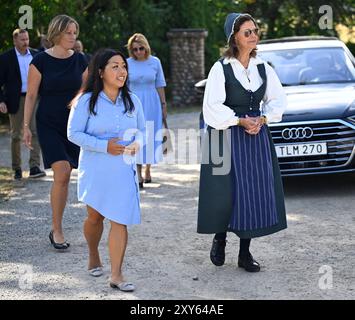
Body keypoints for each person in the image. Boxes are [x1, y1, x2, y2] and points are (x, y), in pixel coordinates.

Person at [197, 13, 288, 272]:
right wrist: (239, 121)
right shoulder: (221, 68)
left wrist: (263, 117)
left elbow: (278, 100)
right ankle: (220, 237)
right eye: (247, 31)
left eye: (255, 30)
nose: (253, 35)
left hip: (255, 138)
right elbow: (211, 107)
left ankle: (245, 253)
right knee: (226, 192)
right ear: (234, 37)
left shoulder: (263, 67)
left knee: (251, 193)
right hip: (225, 135)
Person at [67, 49, 145, 291]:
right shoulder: (85, 101)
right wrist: (104, 146)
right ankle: (93, 254)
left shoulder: (133, 100)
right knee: (95, 218)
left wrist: (136, 143)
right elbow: (73, 134)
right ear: (100, 72)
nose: (122, 71)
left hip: (123, 170)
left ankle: (116, 275)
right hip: (96, 169)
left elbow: (142, 130)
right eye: (115, 66)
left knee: (119, 220)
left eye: (123, 66)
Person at [23, 15, 88, 251]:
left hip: (73, 124)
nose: (73, 37)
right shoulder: (39, 61)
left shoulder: (81, 60)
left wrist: (77, 100)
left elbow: (86, 90)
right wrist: (25, 126)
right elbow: (31, 95)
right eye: (68, 32)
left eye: (75, 33)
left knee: (69, 172)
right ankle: (57, 229)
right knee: (61, 170)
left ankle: (66, 226)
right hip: (48, 122)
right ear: (57, 33)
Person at [0, 28, 45, 180]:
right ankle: (17, 168)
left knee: (35, 131)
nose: (26, 42)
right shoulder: (6, 58)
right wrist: (1, 101)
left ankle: (34, 166)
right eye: (22, 40)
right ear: (15, 41)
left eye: (27, 39)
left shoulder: (36, 55)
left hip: (35, 98)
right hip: (16, 99)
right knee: (16, 135)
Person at [126, 33, 167, 188]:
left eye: (141, 48)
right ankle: (138, 171)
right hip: (133, 102)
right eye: (134, 49)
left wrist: (163, 105)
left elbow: (160, 83)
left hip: (152, 102)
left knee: (151, 134)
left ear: (146, 47)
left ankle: (148, 169)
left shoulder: (155, 62)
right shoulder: (127, 63)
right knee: (136, 135)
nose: (138, 52)